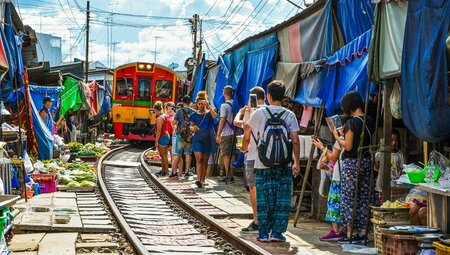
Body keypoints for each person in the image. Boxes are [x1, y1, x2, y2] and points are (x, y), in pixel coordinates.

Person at [241, 80, 300, 242]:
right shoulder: (290, 115)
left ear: (268, 96)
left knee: (263, 198)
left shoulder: (260, 113)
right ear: (283, 96)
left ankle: (262, 233)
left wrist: (246, 144)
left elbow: (247, 129)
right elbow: (295, 140)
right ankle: (276, 233)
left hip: (262, 163)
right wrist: (296, 162)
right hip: (284, 163)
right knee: (282, 197)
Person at [333, 91, 375, 243]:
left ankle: (349, 233)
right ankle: (362, 233)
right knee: (364, 197)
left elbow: (348, 146)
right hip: (366, 161)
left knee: (349, 198)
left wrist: (337, 137)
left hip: (351, 164)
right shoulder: (370, 120)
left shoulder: (352, 123)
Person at [234, 86, 266, 233]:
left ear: (251, 98)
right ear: (265, 97)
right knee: (266, 188)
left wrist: (244, 111)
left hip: (253, 154)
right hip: (269, 156)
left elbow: (244, 126)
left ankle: (257, 220)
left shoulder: (251, 112)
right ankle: (267, 219)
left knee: (253, 187)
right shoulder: (270, 110)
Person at [312, 115, 349, 241]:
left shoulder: (341, 139)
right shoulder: (349, 138)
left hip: (339, 176)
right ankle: (342, 230)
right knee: (343, 204)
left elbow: (333, 157)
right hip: (345, 174)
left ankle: (335, 230)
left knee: (334, 203)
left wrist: (322, 148)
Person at [190, 91, 217, 188]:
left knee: (205, 161)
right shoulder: (193, 115)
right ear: (197, 104)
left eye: (203, 104)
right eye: (199, 104)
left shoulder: (209, 113)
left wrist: (209, 106)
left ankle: (203, 179)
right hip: (197, 139)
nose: (201, 105)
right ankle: (198, 179)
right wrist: (192, 128)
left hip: (208, 139)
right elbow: (191, 126)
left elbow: (215, 117)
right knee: (199, 159)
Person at [375, 129, 405, 197]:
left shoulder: (399, 154)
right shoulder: (380, 154)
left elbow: (402, 169)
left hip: (396, 185)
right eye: (391, 140)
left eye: (396, 141)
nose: (394, 143)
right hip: (382, 184)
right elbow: (376, 167)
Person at [172, 96, 195, 178]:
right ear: (190, 102)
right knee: (188, 154)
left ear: (183, 102)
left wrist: (175, 127)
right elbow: (194, 124)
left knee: (178, 154)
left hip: (180, 136)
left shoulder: (179, 111)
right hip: (189, 136)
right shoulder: (193, 112)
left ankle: (174, 171)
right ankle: (187, 171)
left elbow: (174, 122)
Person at [216, 85, 236, 183]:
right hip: (235, 133)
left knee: (225, 155)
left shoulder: (224, 106)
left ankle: (228, 175)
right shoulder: (236, 104)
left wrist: (218, 134)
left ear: (224, 93)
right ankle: (231, 175)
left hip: (226, 133)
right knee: (232, 155)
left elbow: (222, 120)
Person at [154, 101, 171, 176]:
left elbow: (159, 131)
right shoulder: (164, 115)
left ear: (155, 109)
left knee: (163, 155)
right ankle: (164, 170)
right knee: (165, 155)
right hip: (166, 136)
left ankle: (166, 171)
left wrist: (156, 141)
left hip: (162, 137)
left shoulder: (159, 119)